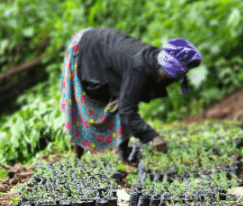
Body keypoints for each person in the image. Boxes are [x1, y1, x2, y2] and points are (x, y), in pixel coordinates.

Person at [59, 27, 202, 163]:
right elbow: (127, 110)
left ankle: (123, 153)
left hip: (105, 45)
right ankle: (76, 153)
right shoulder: (139, 68)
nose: (169, 82)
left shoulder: (152, 60)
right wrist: (152, 137)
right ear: (163, 70)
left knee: (124, 98)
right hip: (87, 46)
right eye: (168, 78)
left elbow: (128, 103)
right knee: (81, 104)